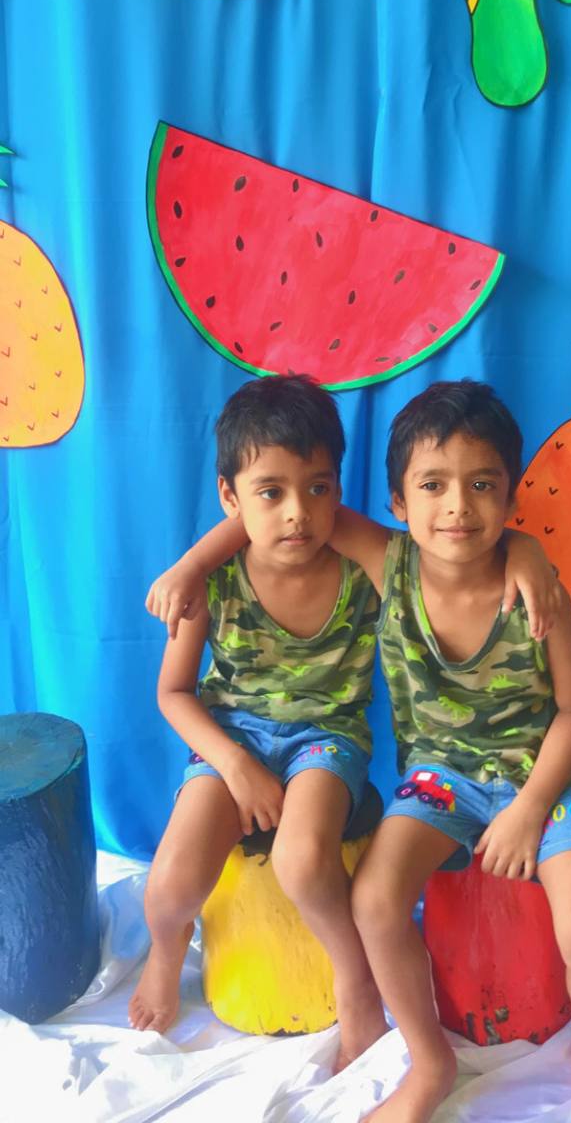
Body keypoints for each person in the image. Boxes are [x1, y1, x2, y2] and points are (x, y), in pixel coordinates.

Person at [335, 380, 571, 1123]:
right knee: (375, 901)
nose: (456, 507)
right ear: (397, 503)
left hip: (544, 779)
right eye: (432, 485)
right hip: (439, 781)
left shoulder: (536, 595)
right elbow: (293, 511)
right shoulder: (391, 567)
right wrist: (190, 569)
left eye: (481, 485)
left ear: (509, 497)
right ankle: (429, 1061)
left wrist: (531, 808)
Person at [129, 374, 387, 1070]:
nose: (297, 513)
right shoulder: (212, 583)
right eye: (269, 493)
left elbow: (434, 559)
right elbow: (174, 693)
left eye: (318, 487)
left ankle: (357, 980)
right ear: (230, 499)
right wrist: (236, 765)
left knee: (305, 861)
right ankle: (164, 950)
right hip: (231, 734)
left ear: (338, 487)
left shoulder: (362, 569)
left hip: (327, 738)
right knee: (170, 884)